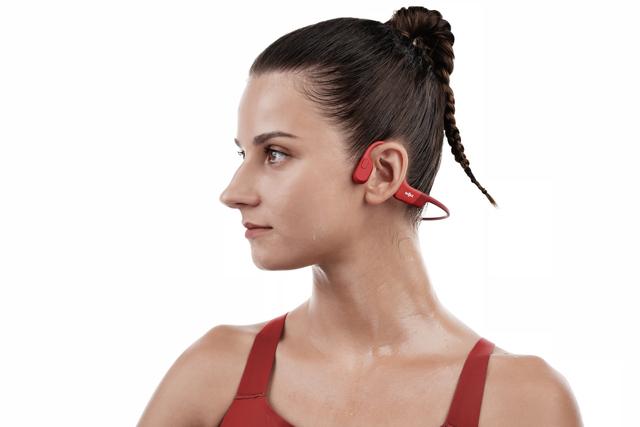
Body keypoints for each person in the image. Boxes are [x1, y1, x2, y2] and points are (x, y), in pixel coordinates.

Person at [138, 6, 583, 426]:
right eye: (244, 154)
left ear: (383, 172)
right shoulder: (214, 374)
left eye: (275, 153)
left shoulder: (521, 403)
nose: (232, 193)